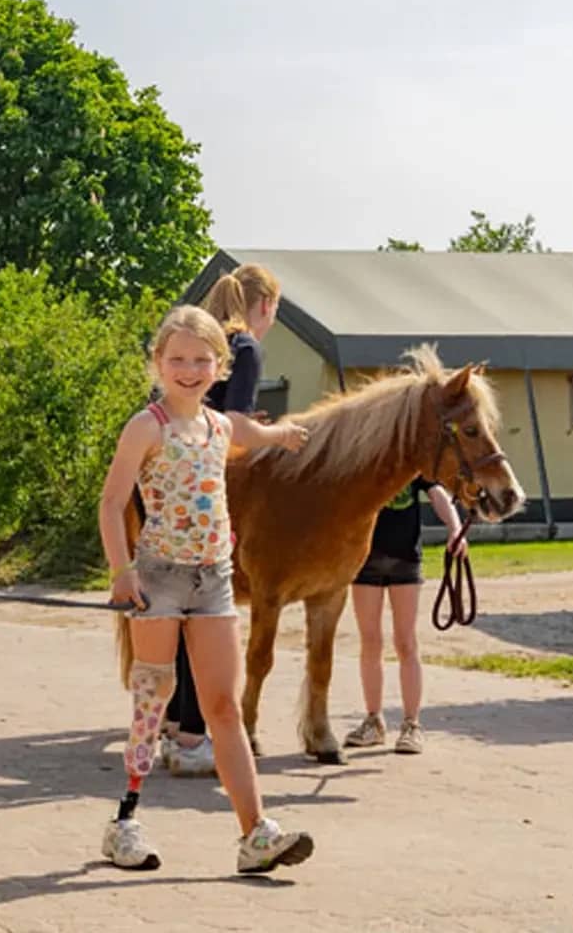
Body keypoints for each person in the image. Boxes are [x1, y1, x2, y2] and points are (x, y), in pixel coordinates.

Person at [99, 305, 316, 875]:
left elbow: (252, 431)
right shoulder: (147, 426)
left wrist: (284, 434)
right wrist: (123, 573)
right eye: (177, 359)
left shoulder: (218, 426)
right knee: (154, 699)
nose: (189, 369)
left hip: (214, 579)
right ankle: (124, 821)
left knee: (223, 706)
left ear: (220, 366)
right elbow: (111, 501)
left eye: (201, 360)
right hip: (159, 579)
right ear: (158, 363)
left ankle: (255, 834)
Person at [160, 263, 288, 778]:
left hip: (166, 485)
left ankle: (172, 724)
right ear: (266, 305)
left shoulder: (202, 343)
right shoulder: (247, 348)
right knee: (205, 614)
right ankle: (194, 737)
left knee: (172, 611)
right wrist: (282, 434)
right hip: (205, 492)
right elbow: (233, 428)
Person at [344, 477, 466, 755]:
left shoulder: (413, 462)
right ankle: (373, 721)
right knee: (370, 641)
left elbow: (436, 492)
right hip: (364, 561)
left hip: (406, 561)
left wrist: (455, 528)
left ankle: (412, 724)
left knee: (406, 642)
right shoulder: (369, 460)